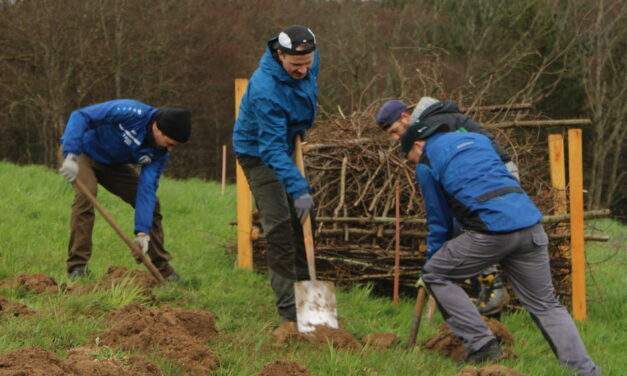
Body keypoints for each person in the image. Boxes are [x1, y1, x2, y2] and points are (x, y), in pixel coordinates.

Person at [400, 122, 600, 375]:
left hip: (490, 232)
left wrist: (432, 259)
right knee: (546, 304)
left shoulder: (427, 162)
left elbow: (439, 220)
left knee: (435, 274)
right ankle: (586, 371)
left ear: (418, 145)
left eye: (412, 158)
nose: (415, 163)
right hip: (530, 227)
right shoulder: (479, 141)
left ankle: (482, 344)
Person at [376, 97, 512, 316]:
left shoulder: (433, 127)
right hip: (487, 177)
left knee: (468, 229)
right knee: (466, 232)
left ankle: (491, 286)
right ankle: (490, 311)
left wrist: (431, 265)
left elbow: (440, 219)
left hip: (498, 174)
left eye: (395, 130)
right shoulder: (432, 125)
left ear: (405, 117)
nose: (395, 137)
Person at [232, 25, 319, 323]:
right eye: (296, 65)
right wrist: (300, 189)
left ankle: (310, 300)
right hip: (258, 152)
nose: (303, 70)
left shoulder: (307, 61)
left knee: (303, 221)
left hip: (286, 141)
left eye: (307, 63)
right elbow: (270, 150)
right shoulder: (265, 90)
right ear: (280, 55)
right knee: (280, 226)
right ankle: (289, 314)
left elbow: (306, 80)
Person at [59, 99, 191, 281]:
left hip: (112, 165)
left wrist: (142, 232)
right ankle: (77, 267)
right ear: (158, 128)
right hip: (82, 152)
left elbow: (146, 190)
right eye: (169, 143)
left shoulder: (160, 154)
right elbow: (81, 115)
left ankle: (161, 268)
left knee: (153, 205)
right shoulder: (130, 112)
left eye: (174, 146)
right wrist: (71, 153)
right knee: (87, 195)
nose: (170, 149)